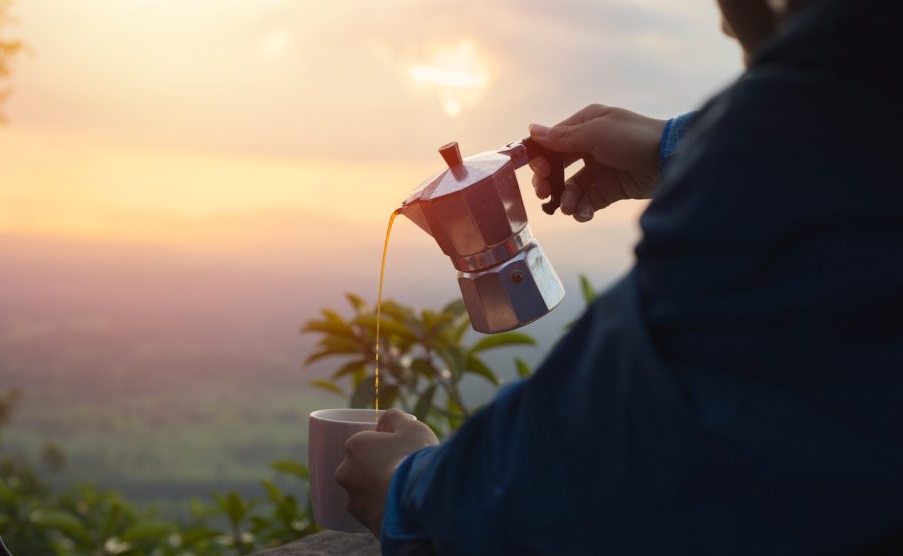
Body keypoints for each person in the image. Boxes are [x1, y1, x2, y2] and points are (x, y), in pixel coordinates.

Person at [335, 0, 903, 554]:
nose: (724, 22)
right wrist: (668, 144)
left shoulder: (776, 148)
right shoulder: (858, 102)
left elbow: (589, 445)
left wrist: (408, 489)